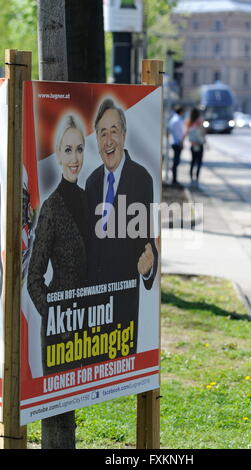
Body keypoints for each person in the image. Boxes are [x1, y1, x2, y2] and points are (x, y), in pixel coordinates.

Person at [85, 98, 158, 358]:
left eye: (113, 131)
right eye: (102, 133)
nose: (108, 140)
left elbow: (147, 241)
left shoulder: (141, 179)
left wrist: (148, 269)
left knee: (120, 366)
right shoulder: (92, 182)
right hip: (93, 307)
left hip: (124, 306)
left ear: (124, 135)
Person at [27, 113, 89, 375]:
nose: (74, 158)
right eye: (68, 150)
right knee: (58, 402)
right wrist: (55, 317)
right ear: (59, 155)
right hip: (60, 329)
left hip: (90, 318)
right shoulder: (51, 207)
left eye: (79, 149)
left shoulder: (90, 200)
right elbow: (33, 277)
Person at [186, 107, 206, 184]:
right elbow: (203, 133)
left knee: (193, 161)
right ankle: (197, 178)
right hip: (200, 145)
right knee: (199, 162)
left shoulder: (189, 122)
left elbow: (187, 133)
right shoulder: (200, 122)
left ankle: (191, 177)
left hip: (193, 144)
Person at [168, 105, 185, 185]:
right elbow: (179, 133)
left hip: (174, 142)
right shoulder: (177, 120)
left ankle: (174, 178)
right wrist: (181, 141)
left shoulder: (174, 119)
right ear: (181, 112)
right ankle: (174, 179)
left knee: (176, 161)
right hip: (177, 143)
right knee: (176, 161)